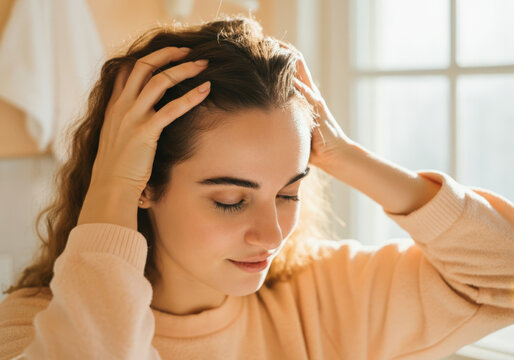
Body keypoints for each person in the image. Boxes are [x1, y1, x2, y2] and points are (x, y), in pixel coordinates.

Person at [1, 15, 513, 360]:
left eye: (289, 193)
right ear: (144, 186)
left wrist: (345, 155)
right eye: (230, 201)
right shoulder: (30, 328)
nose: (271, 234)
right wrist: (111, 184)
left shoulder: (322, 297)